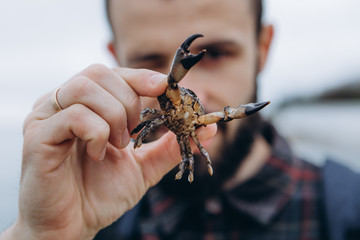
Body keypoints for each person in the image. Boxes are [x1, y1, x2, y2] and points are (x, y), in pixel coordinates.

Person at [1, 0, 359, 240]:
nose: (196, 89)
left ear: (262, 48)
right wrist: (40, 233)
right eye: (149, 59)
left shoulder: (349, 211)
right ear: (116, 57)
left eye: (217, 54)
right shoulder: (91, 219)